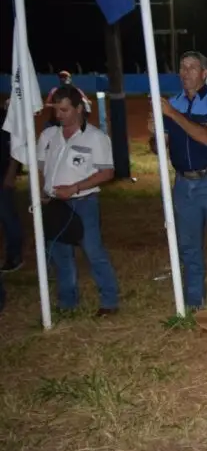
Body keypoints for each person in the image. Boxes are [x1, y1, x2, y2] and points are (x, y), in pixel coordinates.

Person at [150, 51, 207, 310]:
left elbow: (206, 137)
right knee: (188, 246)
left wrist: (172, 115)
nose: (185, 72)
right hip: (183, 183)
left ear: (204, 74)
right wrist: (155, 134)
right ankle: (194, 301)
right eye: (182, 67)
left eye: (192, 68)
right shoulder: (174, 103)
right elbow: (161, 148)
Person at [37, 85, 118, 316]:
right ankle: (67, 302)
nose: (59, 115)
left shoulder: (96, 138)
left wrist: (74, 188)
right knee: (59, 253)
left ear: (79, 108)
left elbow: (107, 173)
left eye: (64, 110)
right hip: (55, 204)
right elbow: (41, 167)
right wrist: (42, 192)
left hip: (83, 203)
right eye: (56, 111)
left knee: (93, 251)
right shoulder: (48, 136)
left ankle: (109, 301)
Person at [0, 99, 24, 273]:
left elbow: (16, 148)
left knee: (8, 218)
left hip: (2, 177)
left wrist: (11, 174)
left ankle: (14, 256)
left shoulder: (4, 119)